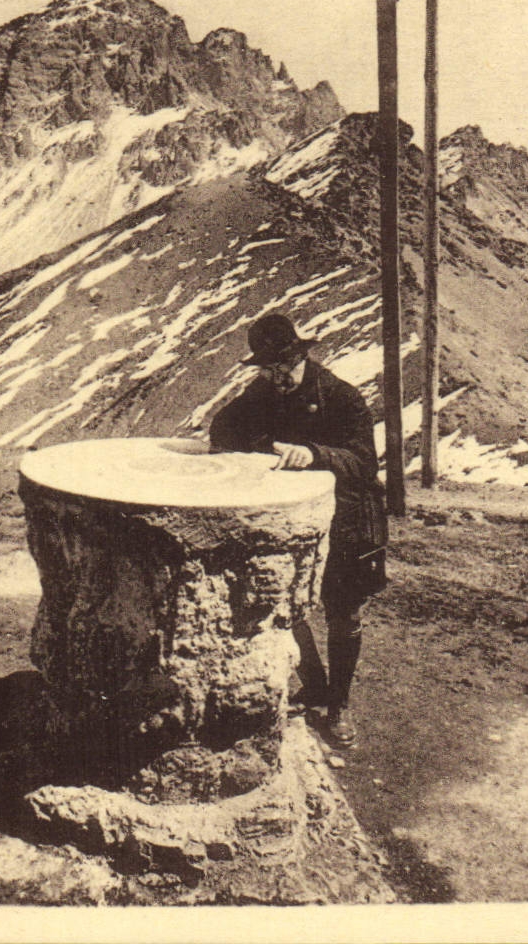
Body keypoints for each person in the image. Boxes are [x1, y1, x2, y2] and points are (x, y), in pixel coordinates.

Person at [209, 313, 388, 748]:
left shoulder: (340, 397)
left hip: (349, 519)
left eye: (285, 368)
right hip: (299, 521)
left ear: (302, 355)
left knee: (342, 612)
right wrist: (253, 439)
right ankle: (314, 681)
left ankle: (339, 705)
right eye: (270, 370)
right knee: (287, 605)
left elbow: (364, 462)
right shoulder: (264, 391)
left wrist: (314, 454)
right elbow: (222, 428)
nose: (279, 378)